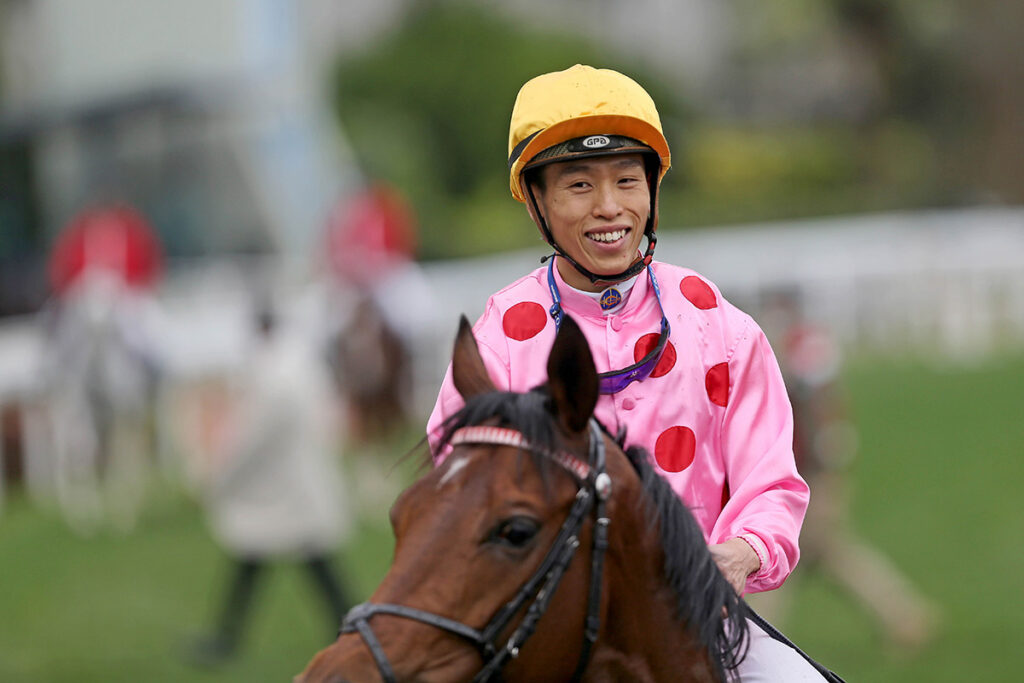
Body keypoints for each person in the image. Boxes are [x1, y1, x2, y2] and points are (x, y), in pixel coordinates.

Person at [427, 64, 822, 680]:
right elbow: (457, 483)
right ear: (537, 201)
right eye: (578, 185)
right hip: (543, 635)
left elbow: (771, 480)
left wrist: (745, 552)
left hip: (697, 624)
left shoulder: (720, 326)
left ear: (652, 191)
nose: (609, 208)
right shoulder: (501, 336)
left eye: (627, 181)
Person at [752, 288, 939, 650]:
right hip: (800, 471)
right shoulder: (788, 345)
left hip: (811, 474)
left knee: (787, 557)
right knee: (823, 554)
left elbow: (825, 406)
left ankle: (757, 640)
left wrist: (831, 468)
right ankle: (905, 617)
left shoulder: (802, 346)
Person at [187, 301, 354, 666]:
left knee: (283, 560)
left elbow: (252, 438)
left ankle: (226, 639)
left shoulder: (275, 375)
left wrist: (219, 477)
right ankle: (227, 637)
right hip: (295, 484)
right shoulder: (300, 364)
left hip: (283, 488)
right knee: (292, 562)